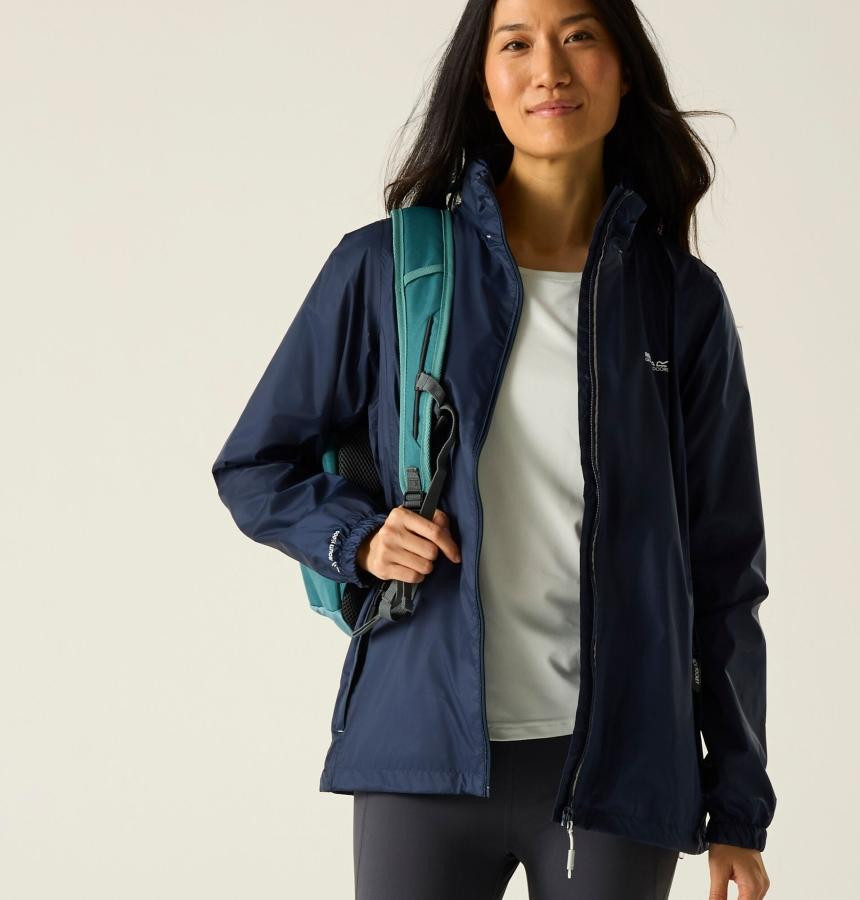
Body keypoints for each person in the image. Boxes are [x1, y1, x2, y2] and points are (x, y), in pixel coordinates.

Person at [211, 0, 776, 897]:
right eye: (517, 43)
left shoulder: (680, 300)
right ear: (482, 80)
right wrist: (357, 538)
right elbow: (254, 464)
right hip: (420, 753)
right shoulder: (389, 268)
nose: (550, 67)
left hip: (622, 766)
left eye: (580, 36)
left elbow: (725, 565)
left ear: (624, 68)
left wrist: (737, 807)